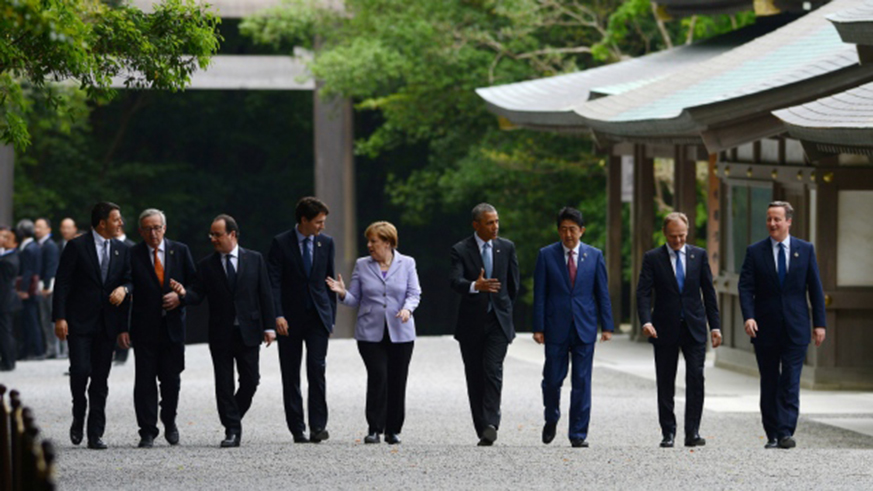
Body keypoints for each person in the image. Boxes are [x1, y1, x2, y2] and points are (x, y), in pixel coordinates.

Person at [172, 214, 276, 448]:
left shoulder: (255, 259)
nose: (213, 239)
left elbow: (265, 294)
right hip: (221, 332)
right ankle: (232, 430)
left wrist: (269, 326)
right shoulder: (206, 265)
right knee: (224, 382)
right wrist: (183, 294)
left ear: (232, 234)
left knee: (251, 380)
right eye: (211, 235)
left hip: (249, 329)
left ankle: (233, 415)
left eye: (217, 234)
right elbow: (197, 293)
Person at [738, 201, 826, 450]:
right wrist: (749, 316)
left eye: (777, 219)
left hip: (795, 327)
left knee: (790, 379)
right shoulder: (755, 252)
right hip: (764, 327)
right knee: (769, 380)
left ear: (789, 221)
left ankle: (786, 431)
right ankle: (772, 433)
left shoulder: (805, 249)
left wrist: (819, 324)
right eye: (769, 219)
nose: (772, 223)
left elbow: (815, 288)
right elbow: (746, 287)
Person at [326, 221, 421, 445]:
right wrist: (342, 293)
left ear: (388, 243)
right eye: (368, 241)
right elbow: (355, 299)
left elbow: (414, 292)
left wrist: (407, 309)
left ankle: (393, 430)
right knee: (379, 375)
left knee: (397, 380)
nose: (369, 245)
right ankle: (374, 428)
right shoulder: (362, 265)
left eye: (374, 241)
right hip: (370, 333)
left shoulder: (407, 263)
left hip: (401, 331)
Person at [636, 212, 721, 448]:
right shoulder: (653, 258)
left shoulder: (699, 255)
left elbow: (709, 293)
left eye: (682, 235)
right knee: (665, 381)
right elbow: (643, 292)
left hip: (694, 327)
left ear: (688, 231)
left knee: (696, 378)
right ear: (665, 233)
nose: (678, 241)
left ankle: (692, 431)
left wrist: (715, 326)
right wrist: (646, 321)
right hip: (663, 328)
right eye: (673, 236)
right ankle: (668, 432)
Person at [53, 202, 132, 450]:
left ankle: (95, 432)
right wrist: (60, 318)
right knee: (80, 371)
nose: (120, 223)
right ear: (102, 223)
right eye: (116, 219)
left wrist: (124, 289)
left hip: (107, 323)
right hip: (79, 321)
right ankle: (79, 412)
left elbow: (130, 279)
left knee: (100, 379)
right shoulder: (77, 246)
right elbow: (63, 283)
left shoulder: (122, 249)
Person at [532, 207, 613, 448]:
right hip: (555, 325)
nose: (569, 235)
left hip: (585, 326)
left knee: (582, 381)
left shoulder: (595, 255)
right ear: (558, 231)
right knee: (552, 379)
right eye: (564, 230)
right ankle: (551, 415)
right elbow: (540, 294)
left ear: (582, 231)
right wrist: (538, 327)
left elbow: (602, 293)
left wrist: (607, 325)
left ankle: (578, 433)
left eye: (573, 230)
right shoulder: (546, 255)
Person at [119, 209, 196, 448]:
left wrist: (181, 296)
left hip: (172, 327)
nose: (153, 233)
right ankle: (147, 430)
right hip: (144, 327)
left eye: (157, 228)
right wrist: (123, 327)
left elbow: (196, 287)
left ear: (165, 228)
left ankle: (169, 421)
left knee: (171, 380)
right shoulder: (132, 254)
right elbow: (126, 287)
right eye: (148, 229)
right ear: (140, 231)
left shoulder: (180, 251)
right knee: (144, 381)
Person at [268, 197, 336, 444]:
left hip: (318, 317)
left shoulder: (326, 243)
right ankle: (297, 427)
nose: (322, 227)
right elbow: (273, 282)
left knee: (317, 370)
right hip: (289, 319)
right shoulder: (281, 243)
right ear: (304, 220)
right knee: (291, 373)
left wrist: (331, 318)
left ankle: (318, 426)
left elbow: (330, 282)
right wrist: (277, 314)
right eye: (318, 222)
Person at [449, 203, 519, 446]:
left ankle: (491, 422)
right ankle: (482, 428)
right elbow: (455, 281)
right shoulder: (460, 249)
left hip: (498, 322)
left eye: (497, 221)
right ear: (476, 225)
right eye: (489, 223)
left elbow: (513, 286)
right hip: (471, 324)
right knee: (475, 375)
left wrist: (505, 312)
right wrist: (474, 286)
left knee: (493, 370)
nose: (495, 227)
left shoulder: (506, 247)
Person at [15, 219, 43, 360]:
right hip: (34, 286)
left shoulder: (28, 248)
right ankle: (32, 349)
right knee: (31, 320)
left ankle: (36, 350)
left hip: (29, 289)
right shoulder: (34, 246)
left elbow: (27, 271)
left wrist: (23, 289)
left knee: (30, 320)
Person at [35, 218, 62, 359]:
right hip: (43, 285)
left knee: (51, 319)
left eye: (40, 227)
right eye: (36, 227)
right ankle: (51, 348)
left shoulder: (50, 246)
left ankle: (55, 349)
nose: (37, 230)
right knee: (45, 319)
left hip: (49, 286)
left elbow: (51, 266)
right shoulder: (40, 245)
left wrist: (47, 285)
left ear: (48, 229)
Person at [113, 220, 136, 365]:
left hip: (127, 289)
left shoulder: (132, 246)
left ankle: (123, 352)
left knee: (126, 321)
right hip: (111, 291)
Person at [0, 227, 22, 371]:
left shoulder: (8, 260)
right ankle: (8, 359)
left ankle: (8, 361)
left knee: (5, 332)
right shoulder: (7, 257)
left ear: (15, 244)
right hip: (6, 300)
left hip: (5, 300)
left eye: (8, 239)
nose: (4, 240)